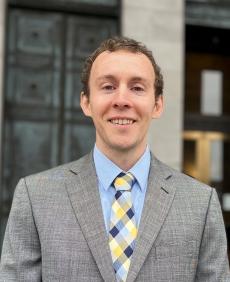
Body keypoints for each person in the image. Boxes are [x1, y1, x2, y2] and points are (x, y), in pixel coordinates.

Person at [0, 36, 229, 282]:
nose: (121, 100)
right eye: (108, 87)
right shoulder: (34, 197)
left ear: (158, 104)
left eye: (137, 88)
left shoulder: (201, 204)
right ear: (86, 102)